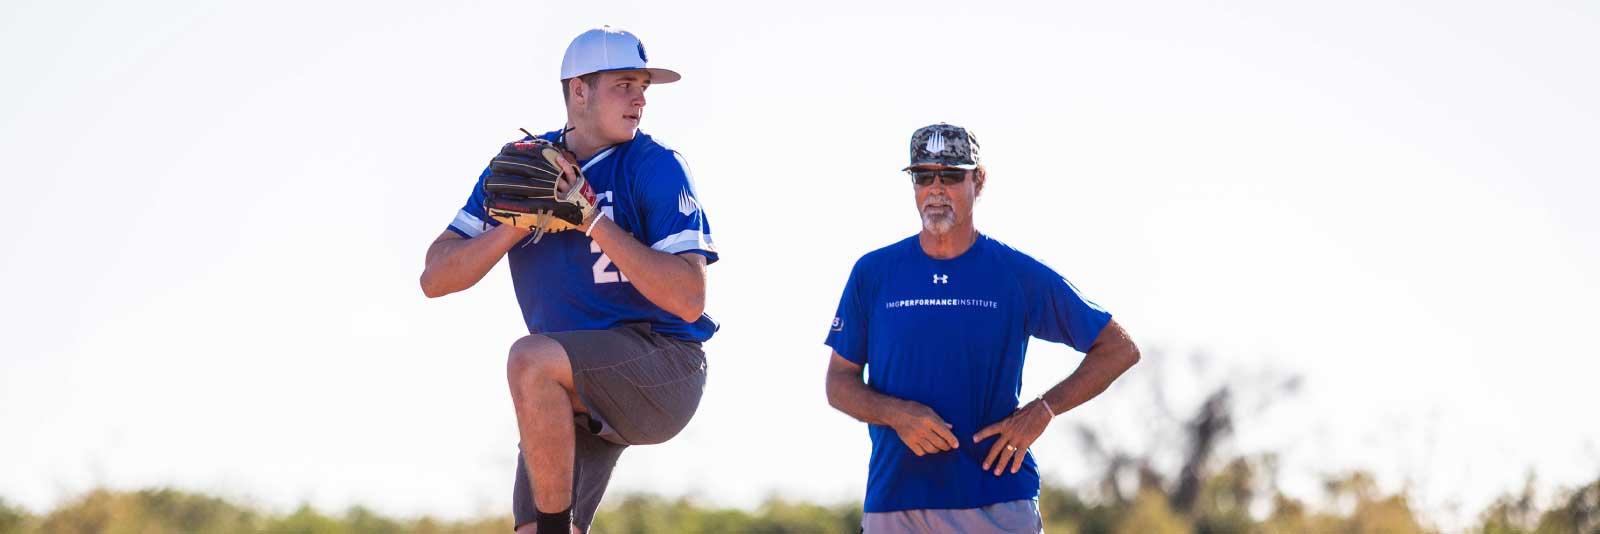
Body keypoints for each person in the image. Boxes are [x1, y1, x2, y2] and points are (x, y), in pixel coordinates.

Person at [419, 26, 717, 534]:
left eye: (644, 86)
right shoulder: (524, 166)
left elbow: (689, 299)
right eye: (624, 84)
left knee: (529, 358)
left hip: (663, 365)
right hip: (568, 388)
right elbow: (435, 277)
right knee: (534, 523)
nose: (641, 99)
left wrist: (591, 219)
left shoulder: (657, 166)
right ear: (579, 89)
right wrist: (517, 226)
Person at [823, 123, 1140, 533]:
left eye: (952, 175)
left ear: (979, 180)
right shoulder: (873, 273)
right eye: (923, 175)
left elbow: (1119, 348)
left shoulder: (1014, 273)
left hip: (998, 502)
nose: (936, 188)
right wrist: (897, 414)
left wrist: (1043, 409)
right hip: (896, 504)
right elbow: (838, 383)